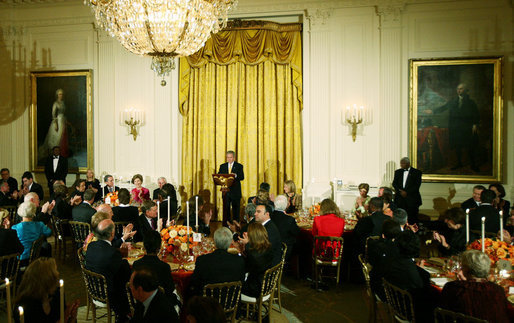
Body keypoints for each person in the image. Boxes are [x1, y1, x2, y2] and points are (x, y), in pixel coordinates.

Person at [441, 250, 510, 322]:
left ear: (466, 269)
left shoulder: (453, 288)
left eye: (462, 266)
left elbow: (442, 315)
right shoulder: (498, 290)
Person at [85, 219, 132, 322]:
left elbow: (106, 249)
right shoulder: (113, 254)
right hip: (108, 294)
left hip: (94, 290)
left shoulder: (91, 246)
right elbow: (126, 274)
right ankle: (125, 315)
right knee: (125, 277)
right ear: (112, 233)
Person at [426, 83, 480, 172]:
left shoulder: (471, 102)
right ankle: (459, 163)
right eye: (458, 89)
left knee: (470, 146)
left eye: (461, 89)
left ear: (466, 91)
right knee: (457, 146)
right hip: (455, 128)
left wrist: (475, 124)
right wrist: (433, 111)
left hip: (466, 128)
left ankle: (473, 164)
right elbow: (444, 107)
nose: (459, 90)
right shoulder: (453, 101)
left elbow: (476, 114)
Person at [384, 230, 434, 323]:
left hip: (396, 305)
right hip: (412, 312)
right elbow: (422, 295)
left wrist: (417, 269)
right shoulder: (417, 273)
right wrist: (420, 270)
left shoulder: (394, 262)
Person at [14, 258, 79, 323]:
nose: (58, 274)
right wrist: (64, 318)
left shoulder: (57, 294)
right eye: (55, 272)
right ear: (47, 282)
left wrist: (72, 318)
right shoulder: (25, 307)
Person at [190, 227, 245, 296]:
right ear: (231, 242)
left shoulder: (202, 260)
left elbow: (194, 283)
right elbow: (241, 282)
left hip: (207, 303)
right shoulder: (239, 261)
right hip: (230, 302)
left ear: (214, 242)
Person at [133, 231, 177, 300]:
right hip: (161, 307)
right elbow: (170, 291)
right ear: (159, 247)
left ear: (144, 246)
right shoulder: (164, 267)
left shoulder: (136, 264)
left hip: (141, 306)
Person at [368, 219, 401, 300]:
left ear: (383, 234)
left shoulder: (375, 246)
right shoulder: (398, 250)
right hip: (390, 293)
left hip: (377, 285)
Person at [11, 201, 52, 266]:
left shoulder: (15, 228)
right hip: (35, 257)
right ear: (34, 212)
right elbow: (49, 232)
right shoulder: (40, 225)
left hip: (19, 259)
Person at [239, 222, 274, 298]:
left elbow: (244, 268)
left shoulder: (252, 254)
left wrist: (245, 246)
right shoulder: (268, 247)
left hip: (255, 288)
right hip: (266, 283)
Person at [392, 157, 422, 224]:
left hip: (412, 200)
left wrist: (406, 192)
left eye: (403, 163)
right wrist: (400, 191)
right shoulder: (397, 172)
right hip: (400, 199)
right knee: (399, 218)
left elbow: (417, 186)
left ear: (408, 164)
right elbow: (394, 183)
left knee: (412, 219)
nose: (401, 165)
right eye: (401, 163)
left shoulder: (417, 172)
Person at [270, 195, 300, 260]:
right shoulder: (289, 219)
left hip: (271, 249)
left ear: (275, 205)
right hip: (286, 250)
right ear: (286, 206)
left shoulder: (269, 217)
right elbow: (297, 233)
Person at [219, 150, 244, 223]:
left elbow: (242, 177)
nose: (229, 159)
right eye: (227, 157)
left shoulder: (239, 166)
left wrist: (235, 175)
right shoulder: (222, 166)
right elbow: (219, 176)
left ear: (234, 158)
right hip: (226, 191)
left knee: (236, 210)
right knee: (226, 210)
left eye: (230, 157)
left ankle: (236, 225)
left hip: (235, 192)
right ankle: (226, 225)